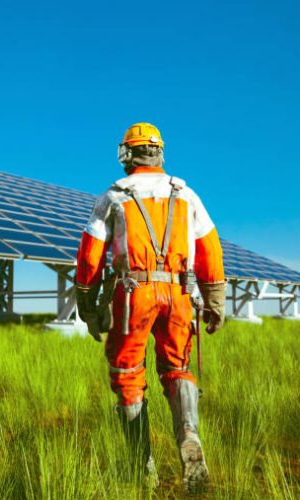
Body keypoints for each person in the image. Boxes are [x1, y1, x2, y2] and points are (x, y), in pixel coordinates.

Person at [75, 122, 226, 494]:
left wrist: (87, 304)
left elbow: (90, 257)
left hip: (132, 294)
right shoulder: (186, 194)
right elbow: (210, 250)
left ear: (127, 154)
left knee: (127, 373)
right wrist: (215, 302)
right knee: (177, 367)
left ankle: (142, 465)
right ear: (159, 152)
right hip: (178, 294)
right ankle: (189, 435)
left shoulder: (113, 196)